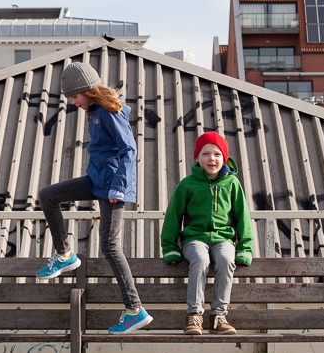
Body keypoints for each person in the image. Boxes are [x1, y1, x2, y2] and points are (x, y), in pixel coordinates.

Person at [36, 61, 152, 334]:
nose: (73, 103)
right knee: (47, 196)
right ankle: (65, 254)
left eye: (74, 97)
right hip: (96, 180)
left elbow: (128, 150)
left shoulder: (110, 111)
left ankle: (135, 310)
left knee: (110, 246)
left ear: (86, 90)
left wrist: (119, 188)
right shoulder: (94, 110)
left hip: (112, 187)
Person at [160, 132, 253, 335]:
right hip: (195, 239)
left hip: (223, 239)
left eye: (217, 154)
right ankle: (194, 315)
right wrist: (170, 247)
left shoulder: (232, 184)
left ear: (225, 158)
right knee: (200, 259)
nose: (212, 158)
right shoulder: (187, 184)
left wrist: (244, 248)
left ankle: (219, 316)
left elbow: (243, 217)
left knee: (227, 259)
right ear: (197, 158)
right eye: (206, 154)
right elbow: (172, 217)